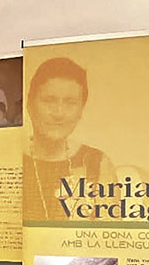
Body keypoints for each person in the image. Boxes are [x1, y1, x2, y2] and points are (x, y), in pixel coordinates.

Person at [24, 57, 116, 221]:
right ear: (30, 105)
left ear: (81, 110)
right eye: (49, 100)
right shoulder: (13, 158)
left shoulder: (96, 163)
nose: (59, 113)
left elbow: (108, 232)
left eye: (70, 102)